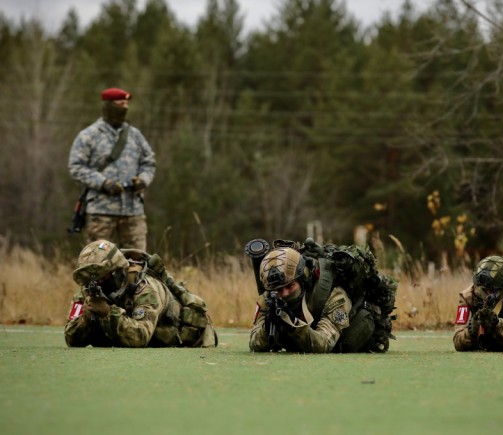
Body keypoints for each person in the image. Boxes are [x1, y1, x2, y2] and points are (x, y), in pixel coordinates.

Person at [65, 240, 217, 348]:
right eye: (92, 279)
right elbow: (71, 339)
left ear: (118, 272)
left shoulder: (146, 288)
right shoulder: (88, 291)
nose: (98, 284)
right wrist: (84, 320)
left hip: (187, 340)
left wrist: (108, 313)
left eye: (103, 278)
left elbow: (140, 337)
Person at [249, 243, 396, 353]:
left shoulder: (334, 295)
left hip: (344, 332)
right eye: (279, 290)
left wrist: (292, 325)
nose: (285, 294)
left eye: (290, 286)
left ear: (303, 279)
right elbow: (254, 343)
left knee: (345, 346)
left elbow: (324, 343)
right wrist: (267, 328)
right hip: (308, 332)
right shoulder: (270, 296)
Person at [68, 87, 155, 251]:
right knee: (99, 262)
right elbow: (76, 167)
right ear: (108, 105)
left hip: (132, 212)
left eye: (127, 104)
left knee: (137, 263)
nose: (125, 107)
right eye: (121, 103)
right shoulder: (89, 135)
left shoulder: (135, 135)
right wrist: (103, 183)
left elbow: (149, 162)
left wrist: (143, 180)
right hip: (101, 214)